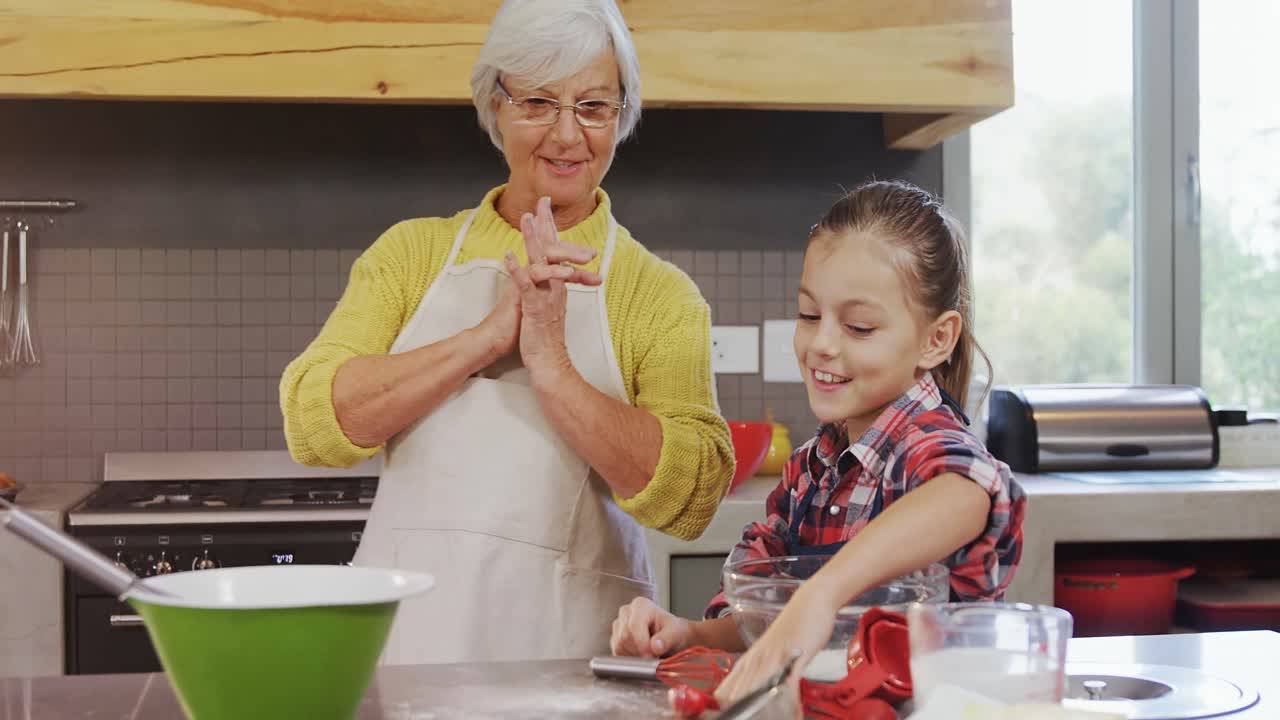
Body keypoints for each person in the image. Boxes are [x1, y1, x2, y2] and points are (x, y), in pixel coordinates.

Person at [280, 0, 734, 665]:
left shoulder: (660, 296)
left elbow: (692, 495)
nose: (566, 135)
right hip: (409, 651)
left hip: (572, 660)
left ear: (622, 115)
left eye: (593, 106)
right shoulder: (409, 255)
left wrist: (552, 368)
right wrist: (487, 338)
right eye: (538, 103)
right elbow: (312, 421)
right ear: (495, 105)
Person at [608, 180, 1027, 704]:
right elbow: (765, 626)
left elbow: (969, 487)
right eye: (809, 315)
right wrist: (688, 635)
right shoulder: (810, 470)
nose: (821, 344)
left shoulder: (928, 445)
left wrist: (821, 595)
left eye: (858, 326)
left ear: (935, 339)